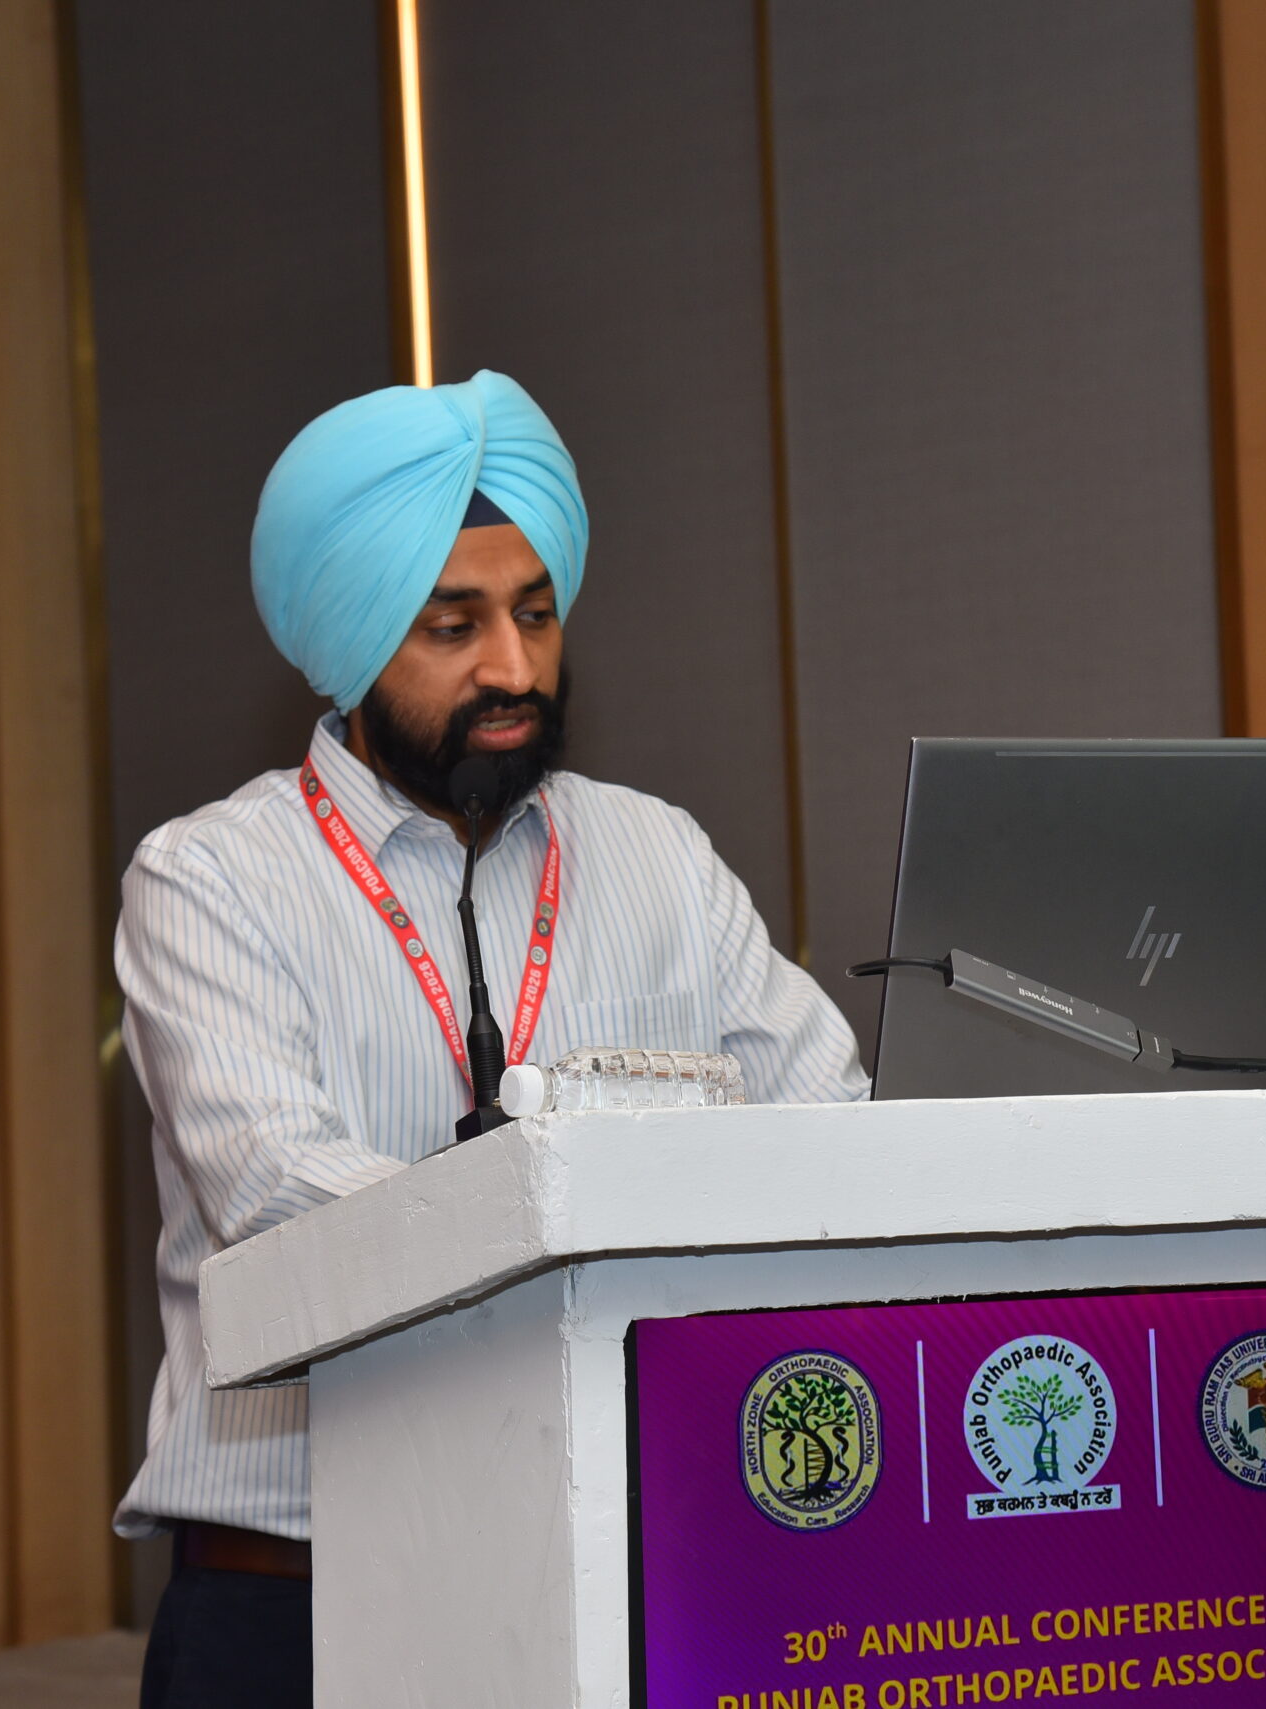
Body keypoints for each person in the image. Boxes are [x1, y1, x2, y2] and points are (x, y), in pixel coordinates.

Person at [115, 370, 868, 1707]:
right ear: (352, 635)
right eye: (451, 626)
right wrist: (588, 1210)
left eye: (535, 613)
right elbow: (279, 1193)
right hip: (300, 1597)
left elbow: (831, 1129)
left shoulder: (657, 854)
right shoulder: (212, 879)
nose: (513, 669)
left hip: (627, 1576)